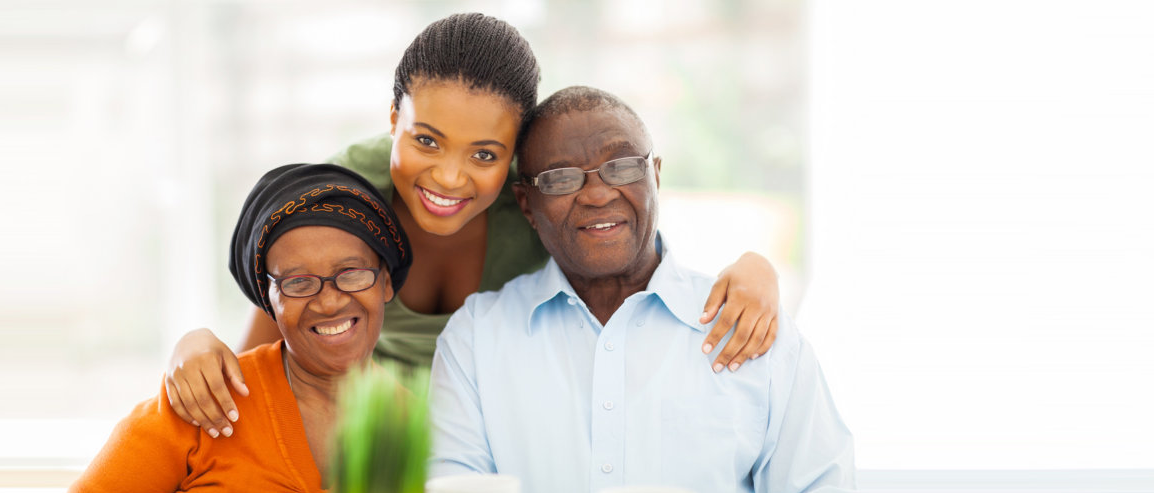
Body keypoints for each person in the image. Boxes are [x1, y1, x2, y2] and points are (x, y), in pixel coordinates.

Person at [164, 12, 791, 440]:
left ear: (516, 159)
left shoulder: (539, 208)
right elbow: (262, 356)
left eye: (484, 155)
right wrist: (194, 344)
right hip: (356, 443)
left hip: (493, 441)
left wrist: (757, 271)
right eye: (427, 140)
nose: (449, 178)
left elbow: (640, 259)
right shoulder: (345, 196)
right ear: (392, 117)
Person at [428, 86, 854, 493]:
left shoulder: (754, 327)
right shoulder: (475, 340)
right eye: (560, 178)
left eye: (624, 165)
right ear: (527, 205)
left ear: (656, 174)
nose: (597, 193)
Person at [68, 164, 412, 493]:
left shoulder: (418, 426)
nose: (329, 302)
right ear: (270, 300)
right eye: (298, 282)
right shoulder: (203, 401)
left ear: (384, 283)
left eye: (351, 272)